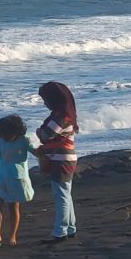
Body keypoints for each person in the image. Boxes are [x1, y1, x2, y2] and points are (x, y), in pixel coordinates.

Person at [36, 81, 79, 243]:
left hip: (61, 159)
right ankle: (70, 227)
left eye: (45, 100)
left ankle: (60, 231)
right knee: (65, 194)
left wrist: (38, 131)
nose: (45, 103)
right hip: (66, 158)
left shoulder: (61, 116)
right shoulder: (67, 114)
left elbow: (46, 135)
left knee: (61, 195)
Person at [0, 115, 37, 247]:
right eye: (2, 134)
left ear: (16, 132)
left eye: (6, 134)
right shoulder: (1, 140)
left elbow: (36, 152)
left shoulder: (24, 140)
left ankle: (12, 235)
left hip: (16, 178)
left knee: (12, 207)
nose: (4, 137)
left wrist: (47, 159)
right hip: (1, 176)